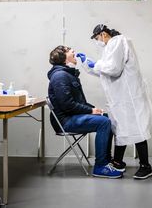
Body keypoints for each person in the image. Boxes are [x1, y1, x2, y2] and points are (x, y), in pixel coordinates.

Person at [76, 24, 152, 180]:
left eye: (96, 38)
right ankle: (118, 161)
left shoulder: (118, 41)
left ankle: (145, 166)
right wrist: (88, 63)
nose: (97, 41)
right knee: (120, 128)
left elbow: (113, 68)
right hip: (120, 97)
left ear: (103, 34)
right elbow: (105, 71)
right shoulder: (111, 46)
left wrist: (97, 64)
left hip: (129, 96)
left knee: (137, 129)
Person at [47, 45, 122, 178]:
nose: (73, 51)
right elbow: (67, 105)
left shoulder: (68, 74)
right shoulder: (60, 76)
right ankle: (100, 166)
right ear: (64, 58)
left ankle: (106, 160)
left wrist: (94, 110)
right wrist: (90, 110)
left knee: (106, 117)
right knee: (104, 122)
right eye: (69, 50)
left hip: (72, 116)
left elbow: (77, 103)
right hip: (65, 121)